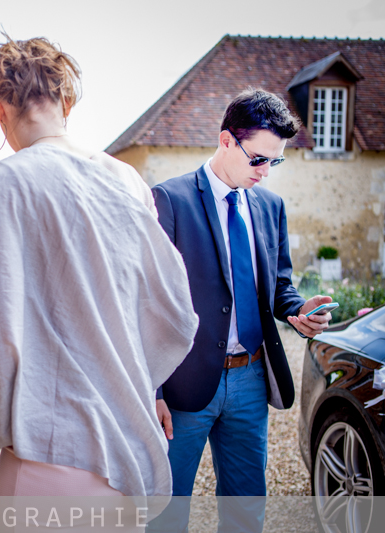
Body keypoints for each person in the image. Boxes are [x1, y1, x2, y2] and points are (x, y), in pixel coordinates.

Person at [0, 35, 199, 530]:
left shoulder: (4, 184)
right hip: (124, 443)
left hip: (45, 452)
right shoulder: (127, 180)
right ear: (66, 100)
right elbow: (172, 311)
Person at [147, 88, 332, 533]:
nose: (266, 173)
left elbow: (279, 284)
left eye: (276, 161)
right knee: (167, 512)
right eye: (258, 160)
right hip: (182, 382)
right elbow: (147, 301)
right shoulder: (170, 200)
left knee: (247, 511)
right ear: (226, 140)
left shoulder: (271, 207)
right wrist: (150, 389)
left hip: (251, 379)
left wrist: (297, 310)